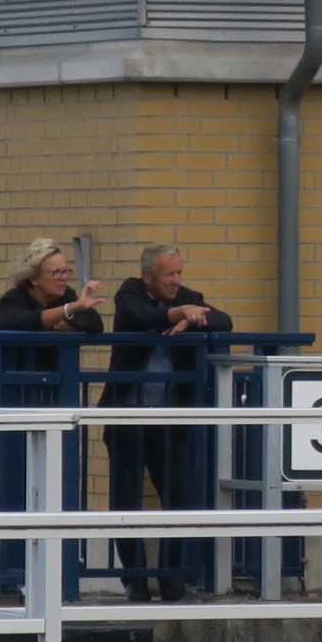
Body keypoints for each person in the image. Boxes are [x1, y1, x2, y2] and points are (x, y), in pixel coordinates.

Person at [109, 241, 232, 602]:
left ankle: (171, 577)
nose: (176, 281)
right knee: (126, 501)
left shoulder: (189, 297)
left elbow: (224, 321)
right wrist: (180, 314)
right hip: (127, 416)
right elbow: (143, 317)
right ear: (148, 275)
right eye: (169, 275)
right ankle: (134, 580)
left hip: (171, 418)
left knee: (178, 497)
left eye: (179, 273)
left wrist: (192, 317)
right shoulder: (130, 292)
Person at [0, 238, 108, 600]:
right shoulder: (14, 299)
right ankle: (10, 572)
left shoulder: (67, 296)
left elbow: (93, 324)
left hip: (51, 403)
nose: (63, 277)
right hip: (11, 404)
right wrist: (67, 313)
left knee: (52, 484)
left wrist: (66, 313)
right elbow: (15, 323)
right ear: (34, 276)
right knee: (14, 486)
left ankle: (52, 572)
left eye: (66, 271)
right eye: (55, 272)